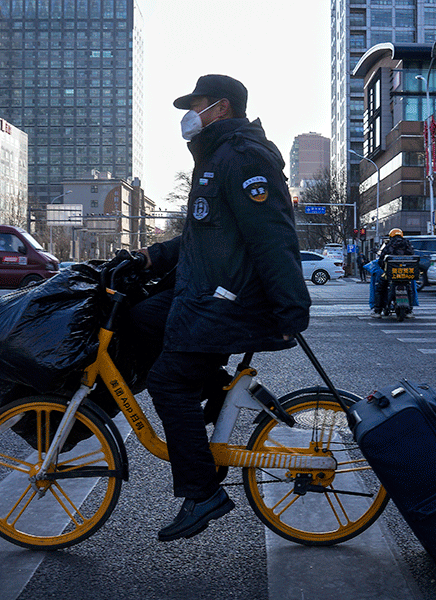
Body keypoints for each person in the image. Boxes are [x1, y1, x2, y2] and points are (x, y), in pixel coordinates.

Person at [134, 74, 311, 542]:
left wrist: (292, 305)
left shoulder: (244, 156)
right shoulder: (215, 158)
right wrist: (155, 255)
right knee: (137, 319)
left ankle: (202, 493)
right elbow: (204, 235)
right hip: (206, 291)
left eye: (198, 106)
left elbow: (272, 235)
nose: (190, 116)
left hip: (230, 301)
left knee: (168, 381)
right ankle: (217, 392)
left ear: (223, 108)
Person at [375, 229, 416, 317]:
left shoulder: (389, 245)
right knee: (410, 289)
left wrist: (384, 268)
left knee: (380, 289)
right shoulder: (408, 244)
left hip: (391, 274)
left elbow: (381, 260)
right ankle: (409, 311)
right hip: (406, 274)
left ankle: (377, 311)